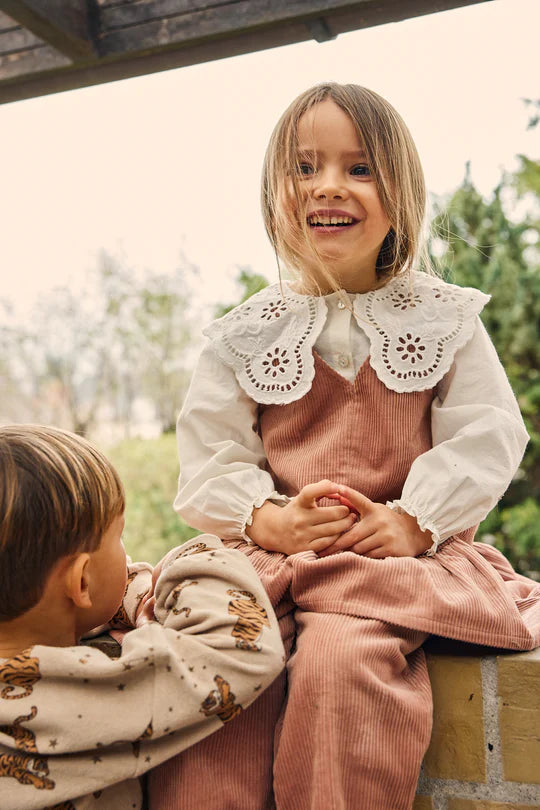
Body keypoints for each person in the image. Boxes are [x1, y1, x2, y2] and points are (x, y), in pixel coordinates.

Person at [153, 83, 540, 810]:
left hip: (389, 563)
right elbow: (210, 456)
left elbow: (487, 435)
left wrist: (414, 518)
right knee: (224, 659)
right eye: (305, 167)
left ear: (401, 194)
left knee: (340, 665)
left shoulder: (441, 317)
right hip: (277, 561)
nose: (329, 185)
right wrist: (266, 519)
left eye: (359, 168)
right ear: (274, 196)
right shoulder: (246, 334)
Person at [0, 424, 284, 810]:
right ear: (82, 582)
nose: (128, 554)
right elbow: (240, 648)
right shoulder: (63, 692)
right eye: (119, 536)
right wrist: (191, 561)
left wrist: (123, 597)